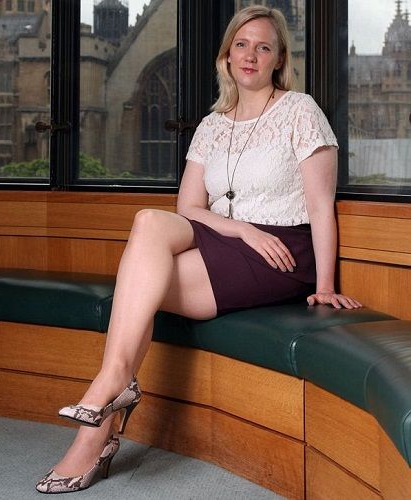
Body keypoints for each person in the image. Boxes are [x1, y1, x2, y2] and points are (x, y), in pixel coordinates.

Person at [36, 5, 362, 494]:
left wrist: (325, 285)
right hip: (231, 238)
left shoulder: (300, 110)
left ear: (278, 59)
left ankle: (99, 418)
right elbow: (188, 207)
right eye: (241, 45)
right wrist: (241, 230)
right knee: (148, 221)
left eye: (263, 47)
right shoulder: (212, 124)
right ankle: (112, 389)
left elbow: (320, 207)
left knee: (137, 288)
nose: (250, 55)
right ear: (227, 55)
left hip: (281, 251)